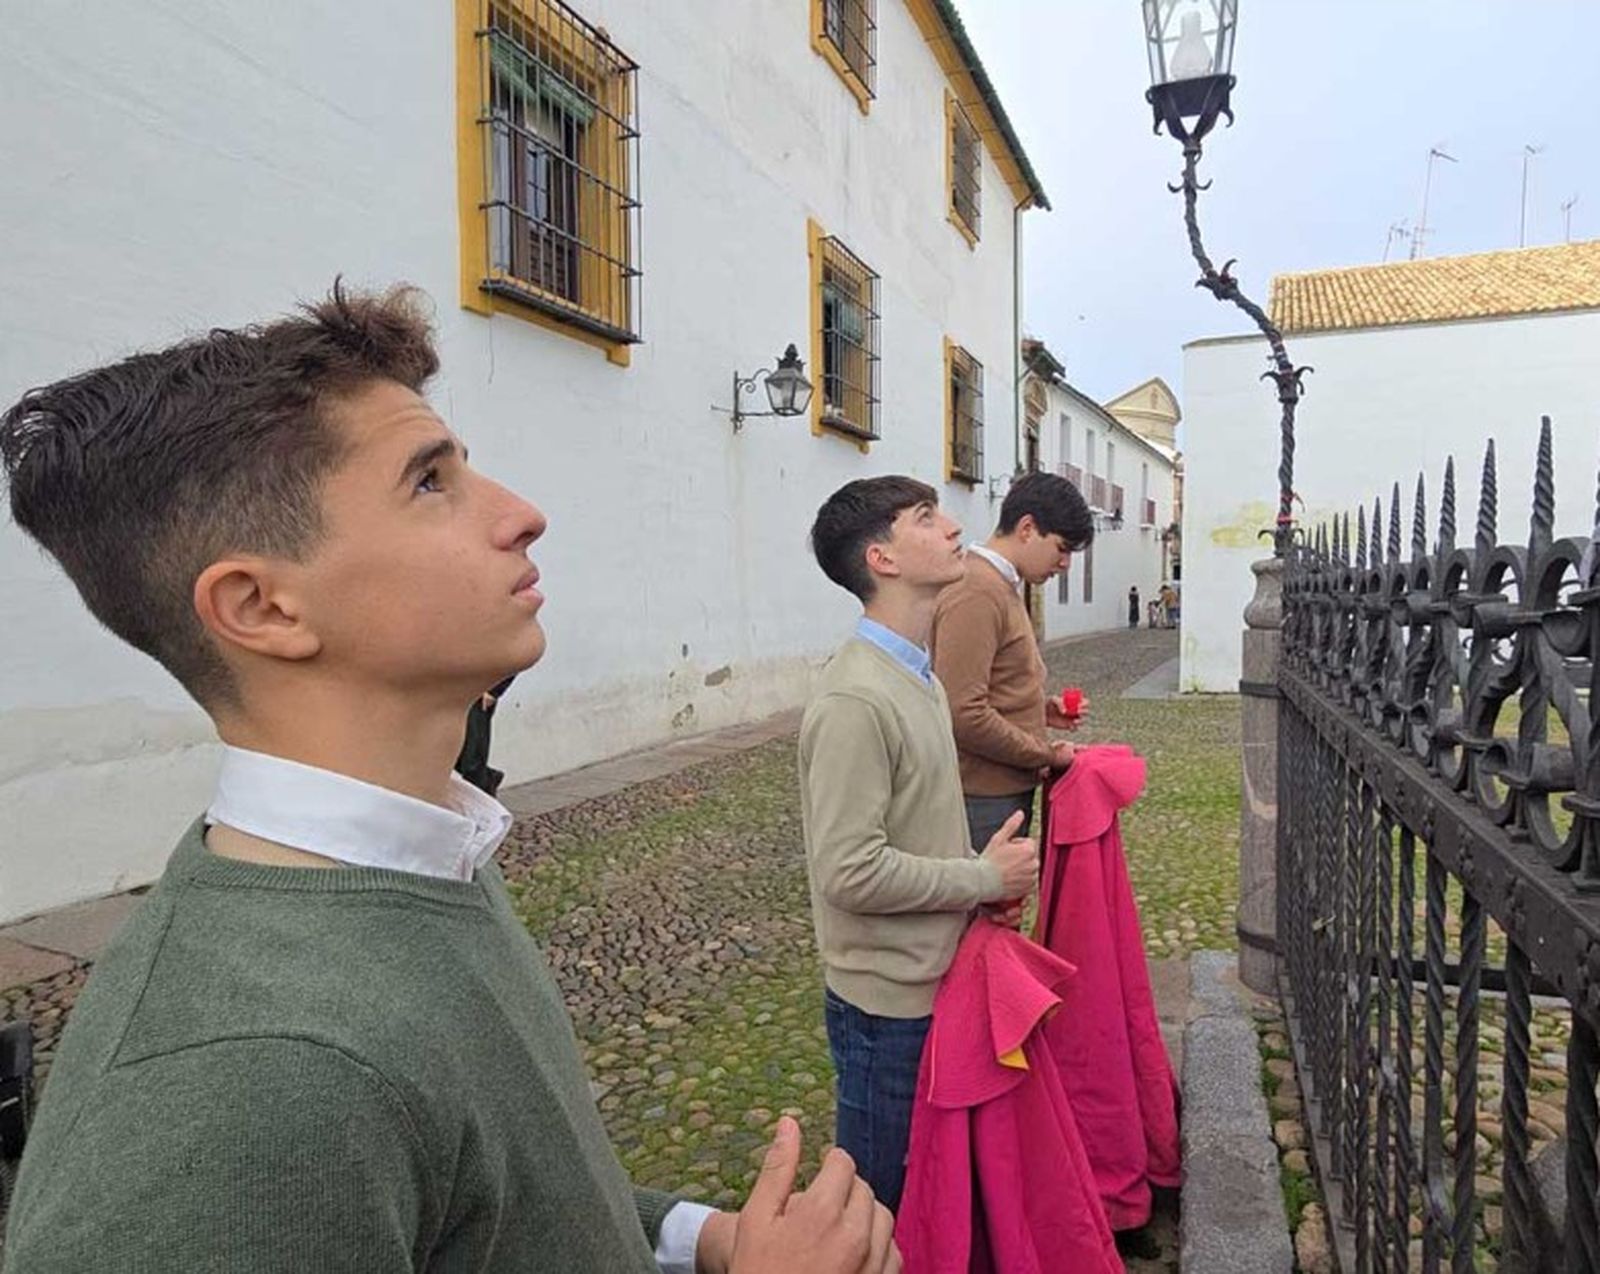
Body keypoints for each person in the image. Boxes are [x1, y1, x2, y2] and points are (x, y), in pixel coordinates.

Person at [0, 284, 899, 1274]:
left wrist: (706, 1238)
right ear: (261, 605)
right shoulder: (236, 1086)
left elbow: (507, 1199)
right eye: (429, 482)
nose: (522, 514)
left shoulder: (429, 844)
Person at [799, 477, 1040, 1215]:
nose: (950, 528)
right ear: (883, 558)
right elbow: (850, 871)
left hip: (935, 979)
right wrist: (976, 876)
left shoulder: (919, 676)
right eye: (925, 519)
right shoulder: (855, 699)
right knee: (883, 1202)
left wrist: (981, 887)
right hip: (886, 1007)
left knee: (933, 1195)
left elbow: (918, 822)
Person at [929, 471, 1095, 852]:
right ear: (1027, 528)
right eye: (1062, 547)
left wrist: (1038, 710)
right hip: (981, 795)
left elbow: (991, 686)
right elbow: (961, 711)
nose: (1065, 563)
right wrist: (1046, 753)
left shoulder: (999, 585)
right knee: (984, 909)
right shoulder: (977, 590)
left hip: (999, 789)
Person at [455, 673, 516, 796]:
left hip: (477, 694)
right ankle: (488, 779)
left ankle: (484, 793)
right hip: (451, 691)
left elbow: (512, 656)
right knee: (454, 757)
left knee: (472, 758)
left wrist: (494, 690)